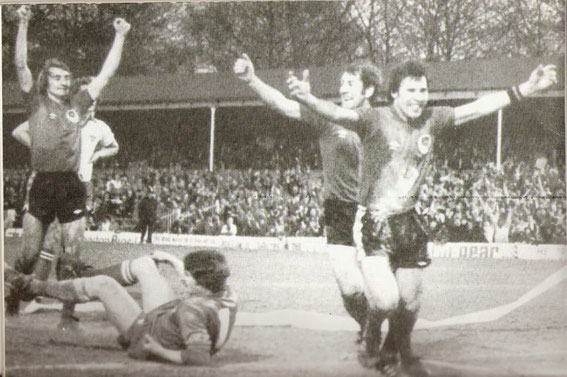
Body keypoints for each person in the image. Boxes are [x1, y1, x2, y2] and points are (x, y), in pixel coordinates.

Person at [287, 60, 557, 376]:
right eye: (411, 91)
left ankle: (396, 349)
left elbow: (476, 108)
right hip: (374, 222)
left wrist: (527, 87)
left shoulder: (433, 118)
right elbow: (338, 114)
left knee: (411, 301)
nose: (419, 97)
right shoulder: (374, 118)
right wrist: (307, 99)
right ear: (394, 94)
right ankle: (373, 330)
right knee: (386, 301)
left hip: (407, 222)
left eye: (423, 90)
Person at [234, 54, 381, 343]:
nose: (343, 89)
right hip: (339, 209)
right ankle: (368, 326)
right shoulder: (327, 118)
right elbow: (281, 104)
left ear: (369, 91)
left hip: (373, 210)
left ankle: (387, 325)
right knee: (348, 284)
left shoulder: (380, 122)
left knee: (382, 285)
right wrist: (252, 79)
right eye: (342, 83)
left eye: (350, 84)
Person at [9, 4, 130, 327]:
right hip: (42, 183)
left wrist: (120, 36)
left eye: (66, 78)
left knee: (72, 253)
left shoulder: (78, 104)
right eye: (57, 77)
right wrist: (23, 24)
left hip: (71, 185)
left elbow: (106, 76)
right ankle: (12, 298)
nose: (64, 82)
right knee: (28, 255)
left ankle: (68, 314)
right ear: (45, 81)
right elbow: (20, 63)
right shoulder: (35, 102)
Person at [5, 249, 237, 365]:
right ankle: (85, 274)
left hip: (148, 333)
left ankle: (28, 285)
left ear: (201, 282)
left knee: (104, 285)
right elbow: (203, 289)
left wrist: (158, 350)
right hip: (168, 318)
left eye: (187, 276)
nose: (182, 278)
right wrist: (172, 260)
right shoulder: (224, 292)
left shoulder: (193, 310)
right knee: (145, 265)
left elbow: (199, 357)